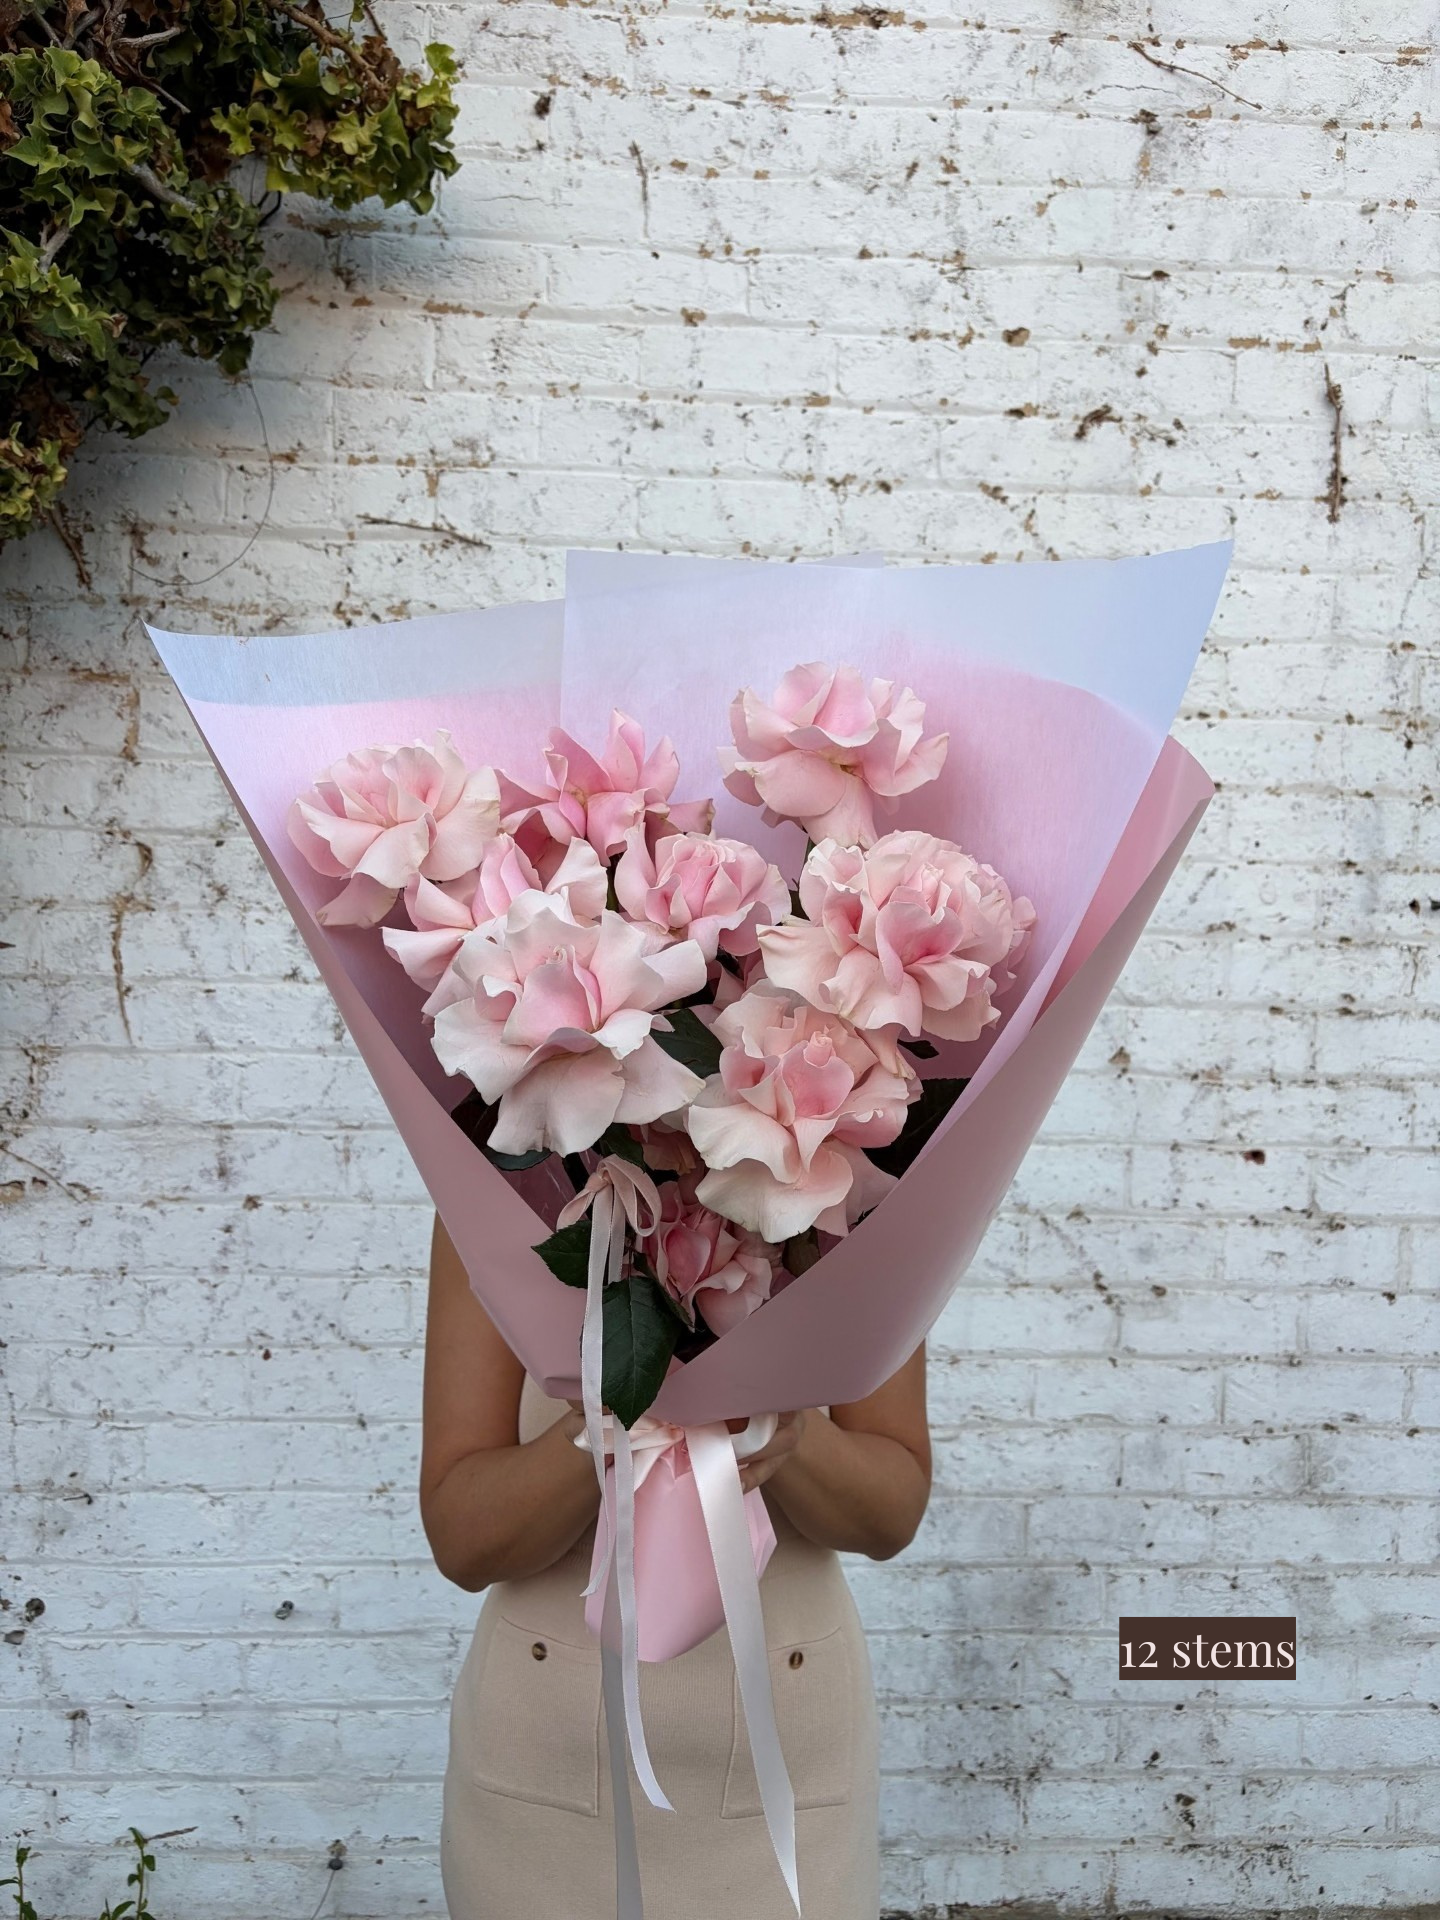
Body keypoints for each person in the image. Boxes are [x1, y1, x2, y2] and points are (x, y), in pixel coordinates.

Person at [423, 1215, 932, 1920]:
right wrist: (605, 1422)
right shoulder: (495, 1200)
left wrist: (787, 1433)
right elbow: (462, 1538)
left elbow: (891, 1512)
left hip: (789, 1772)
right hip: (543, 1782)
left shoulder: (850, 1205)